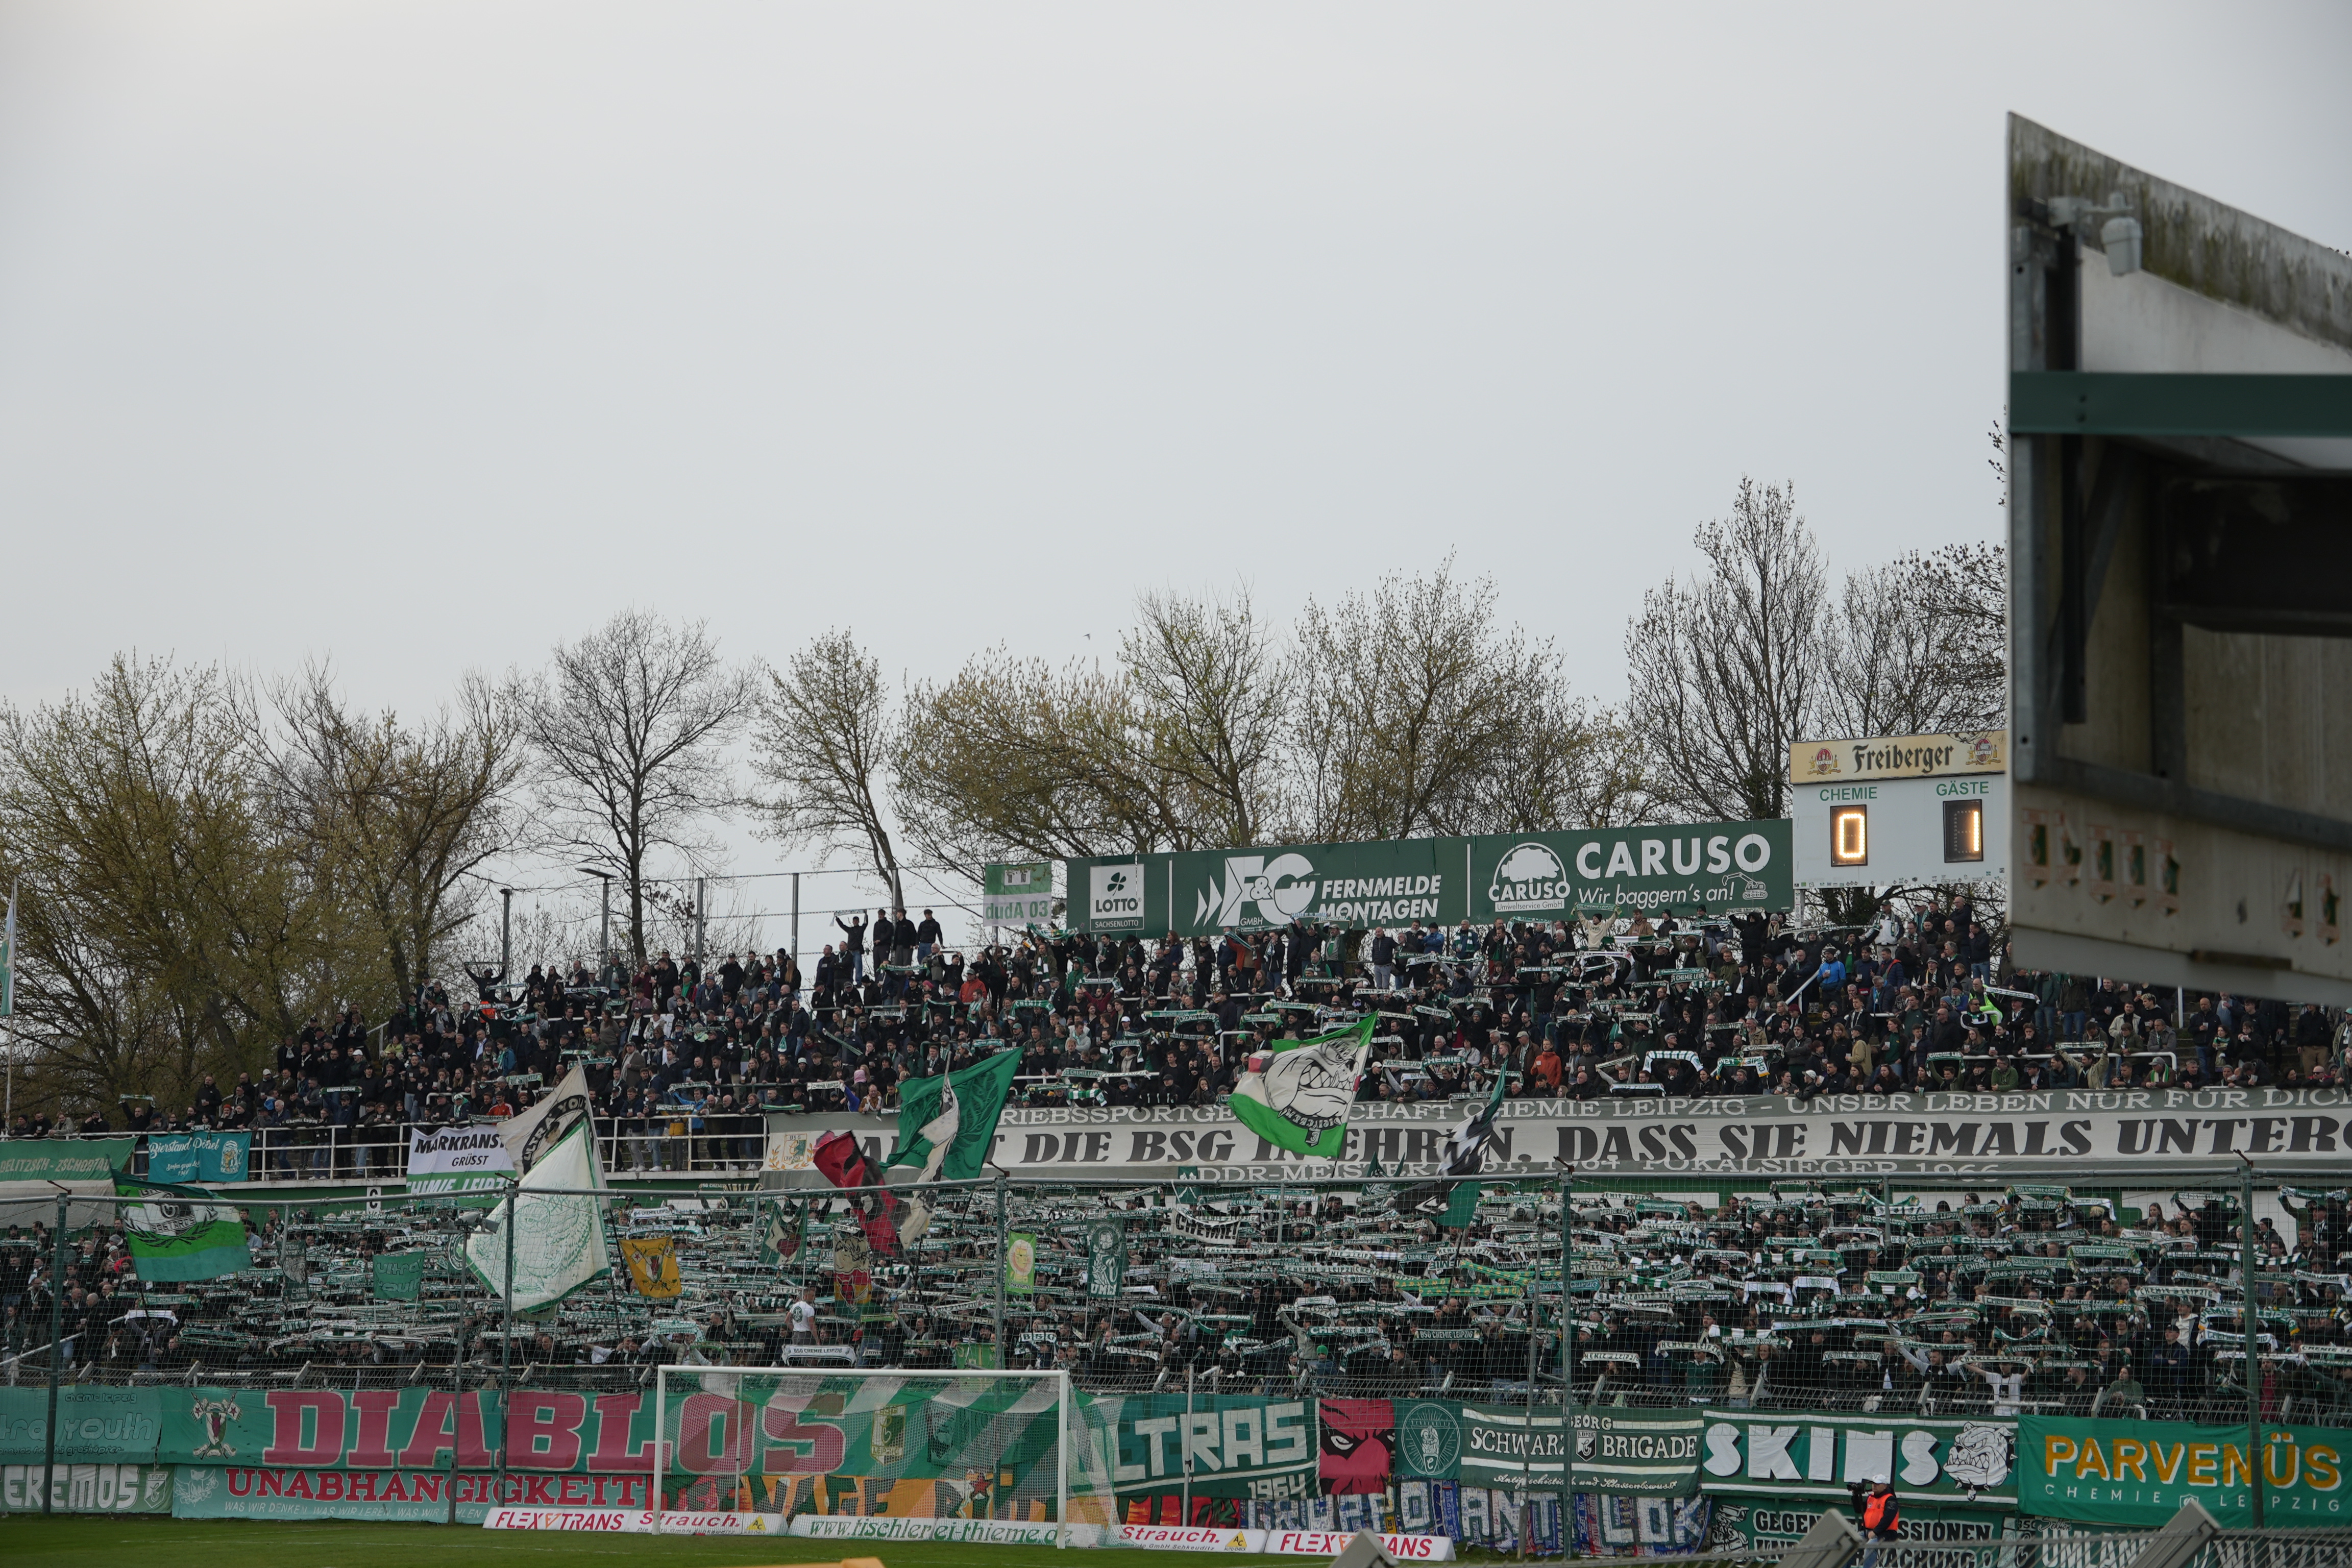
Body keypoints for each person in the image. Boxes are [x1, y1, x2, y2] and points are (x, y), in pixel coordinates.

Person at [1847, 1477, 1900, 1565]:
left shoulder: (1891, 1499)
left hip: (1886, 1533)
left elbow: (1888, 1518)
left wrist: (1876, 1532)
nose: (1874, 1486)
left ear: (1884, 1486)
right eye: (1873, 1484)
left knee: (1871, 1546)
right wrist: (1855, 1496)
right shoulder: (1871, 1497)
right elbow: (1859, 1510)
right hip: (1867, 1531)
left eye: (1877, 1484)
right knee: (1850, 1543)